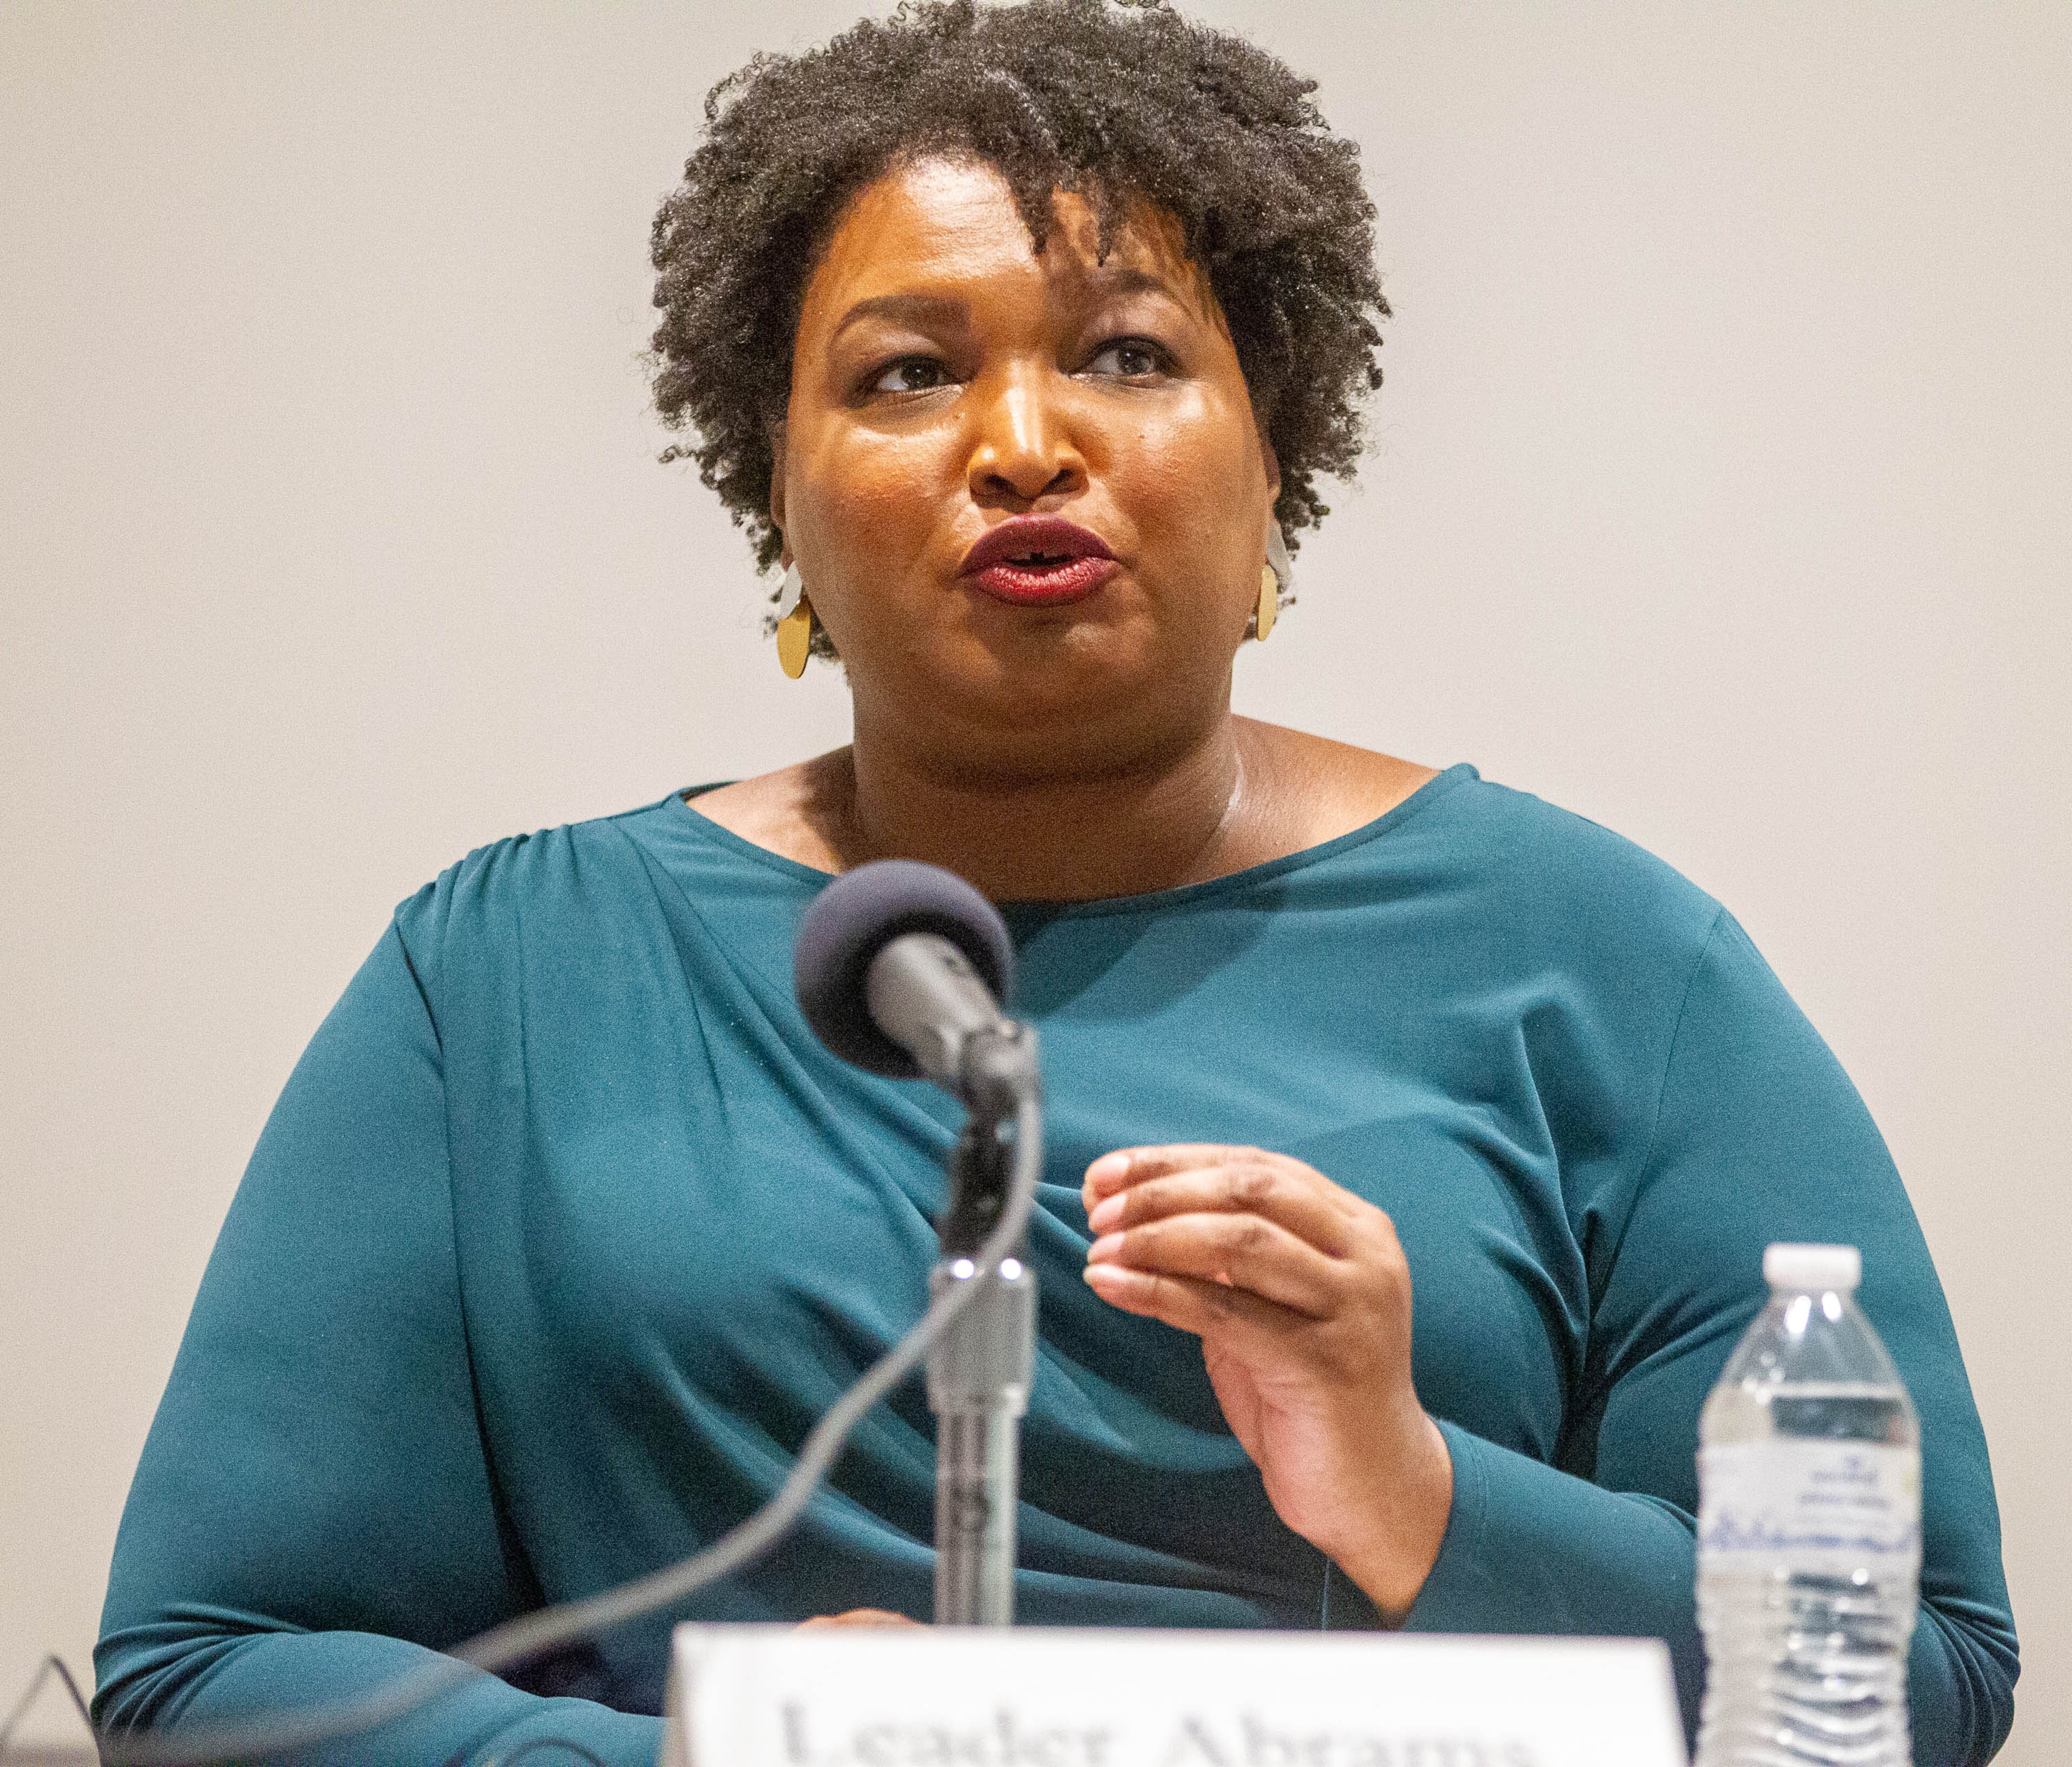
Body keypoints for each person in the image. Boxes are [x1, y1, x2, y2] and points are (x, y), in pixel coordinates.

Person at [93, 3, 2018, 1763]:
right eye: (911, 373)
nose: (1026, 444)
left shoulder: (1603, 961)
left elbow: (1917, 1685)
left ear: (1276, 465)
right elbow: (204, 1676)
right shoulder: (506, 979)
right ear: (781, 495)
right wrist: (714, 1747)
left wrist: (1424, 1491)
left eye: (1129, 352)